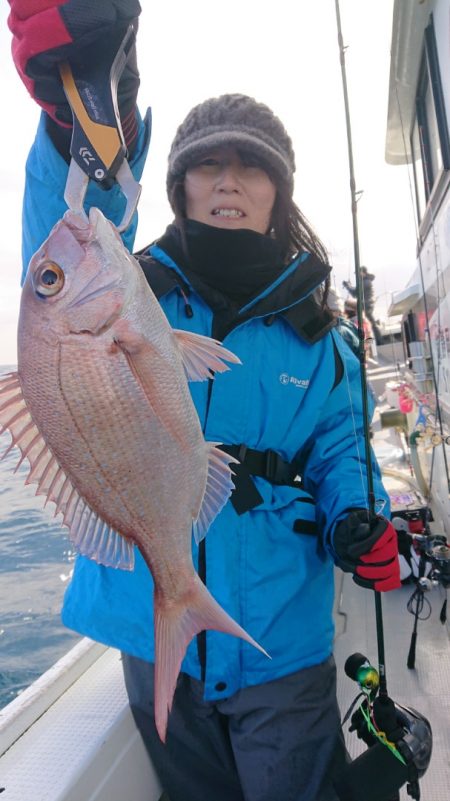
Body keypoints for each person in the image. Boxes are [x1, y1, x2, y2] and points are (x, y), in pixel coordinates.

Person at [8, 3, 401, 800]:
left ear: (278, 192)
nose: (228, 181)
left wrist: (356, 516)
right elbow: (69, 223)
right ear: (177, 187)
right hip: (151, 636)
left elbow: (339, 448)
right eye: (207, 166)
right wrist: (70, 119)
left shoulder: (321, 338)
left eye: (250, 167)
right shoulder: (131, 287)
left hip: (277, 643)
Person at [343, 267, 382, 345]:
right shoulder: (366, 281)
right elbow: (356, 291)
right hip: (368, 304)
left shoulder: (365, 282)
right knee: (370, 323)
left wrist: (347, 286)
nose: (356, 275)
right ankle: (376, 342)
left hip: (366, 305)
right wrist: (350, 286)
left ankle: (378, 342)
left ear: (363, 272)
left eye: (357, 273)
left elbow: (355, 293)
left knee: (370, 324)